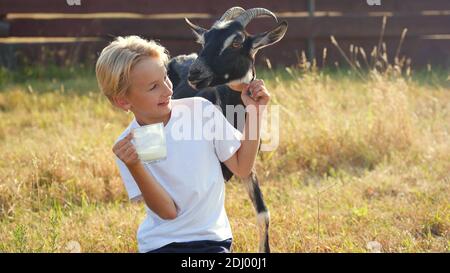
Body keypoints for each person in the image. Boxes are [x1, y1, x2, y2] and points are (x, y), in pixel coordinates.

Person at [95, 36, 270, 253]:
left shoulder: (200, 111)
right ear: (123, 101)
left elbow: (242, 168)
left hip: (211, 241)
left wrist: (255, 112)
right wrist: (135, 165)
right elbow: (168, 212)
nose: (168, 90)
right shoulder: (129, 146)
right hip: (160, 245)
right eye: (153, 87)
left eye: (166, 78)